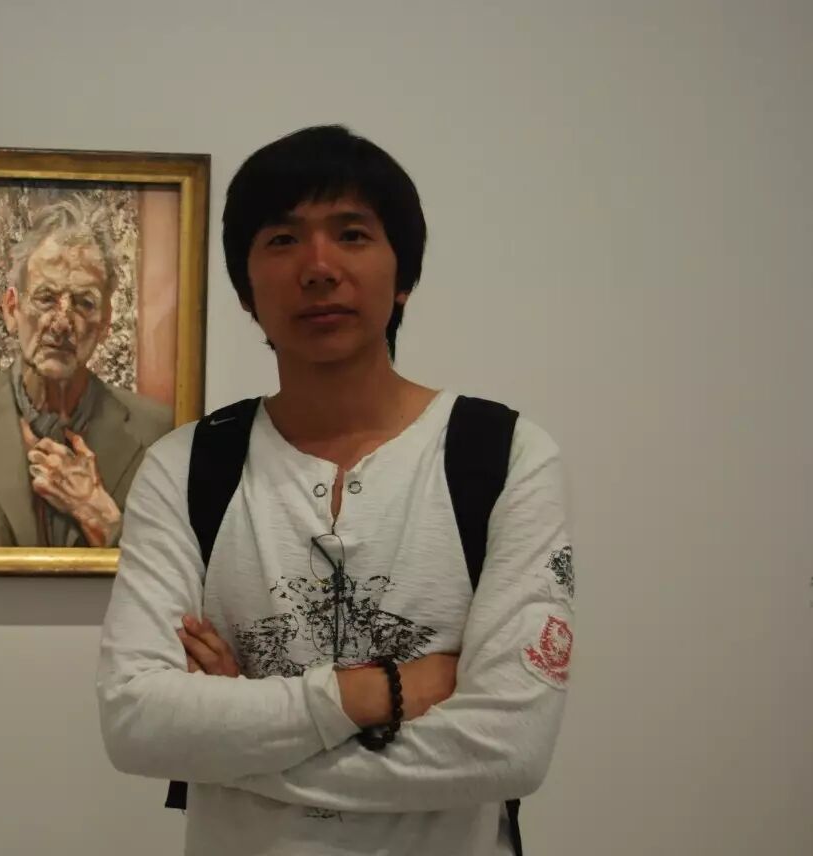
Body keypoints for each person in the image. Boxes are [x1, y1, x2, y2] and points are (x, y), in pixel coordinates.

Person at [97, 125, 575, 855]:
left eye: (352, 234)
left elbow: (509, 748)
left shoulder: (503, 456)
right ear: (245, 289)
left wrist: (234, 737)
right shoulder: (186, 467)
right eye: (282, 240)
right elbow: (135, 722)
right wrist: (379, 691)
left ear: (403, 273)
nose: (319, 267)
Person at [0, 196, 173, 548]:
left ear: (104, 323)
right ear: (12, 309)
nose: (62, 323)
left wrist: (103, 518)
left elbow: (185, 566)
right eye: (46, 298)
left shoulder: (160, 435)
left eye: (84, 303)